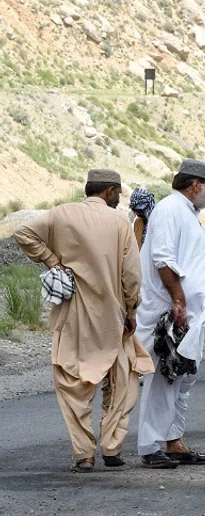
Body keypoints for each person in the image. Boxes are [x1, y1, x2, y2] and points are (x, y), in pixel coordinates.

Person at [13, 169, 153, 472]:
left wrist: (52, 261)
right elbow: (131, 275)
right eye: (118, 193)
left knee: (72, 382)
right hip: (112, 316)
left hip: (72, 315)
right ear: (111, 191)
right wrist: (131, 311)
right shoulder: (120, 222)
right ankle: (112, 447)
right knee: (122, 380)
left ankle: (84, 453)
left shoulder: (60, 214)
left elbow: (22, 233)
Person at [136, 159, 205, 469]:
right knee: (165, 376)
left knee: (185, 375)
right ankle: (149, 444)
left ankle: (174, 440)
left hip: (189, 314)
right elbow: (162, 259)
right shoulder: (171, 209)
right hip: (170, 312)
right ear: (195, 184)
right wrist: (179, 301)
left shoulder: (188, 213)